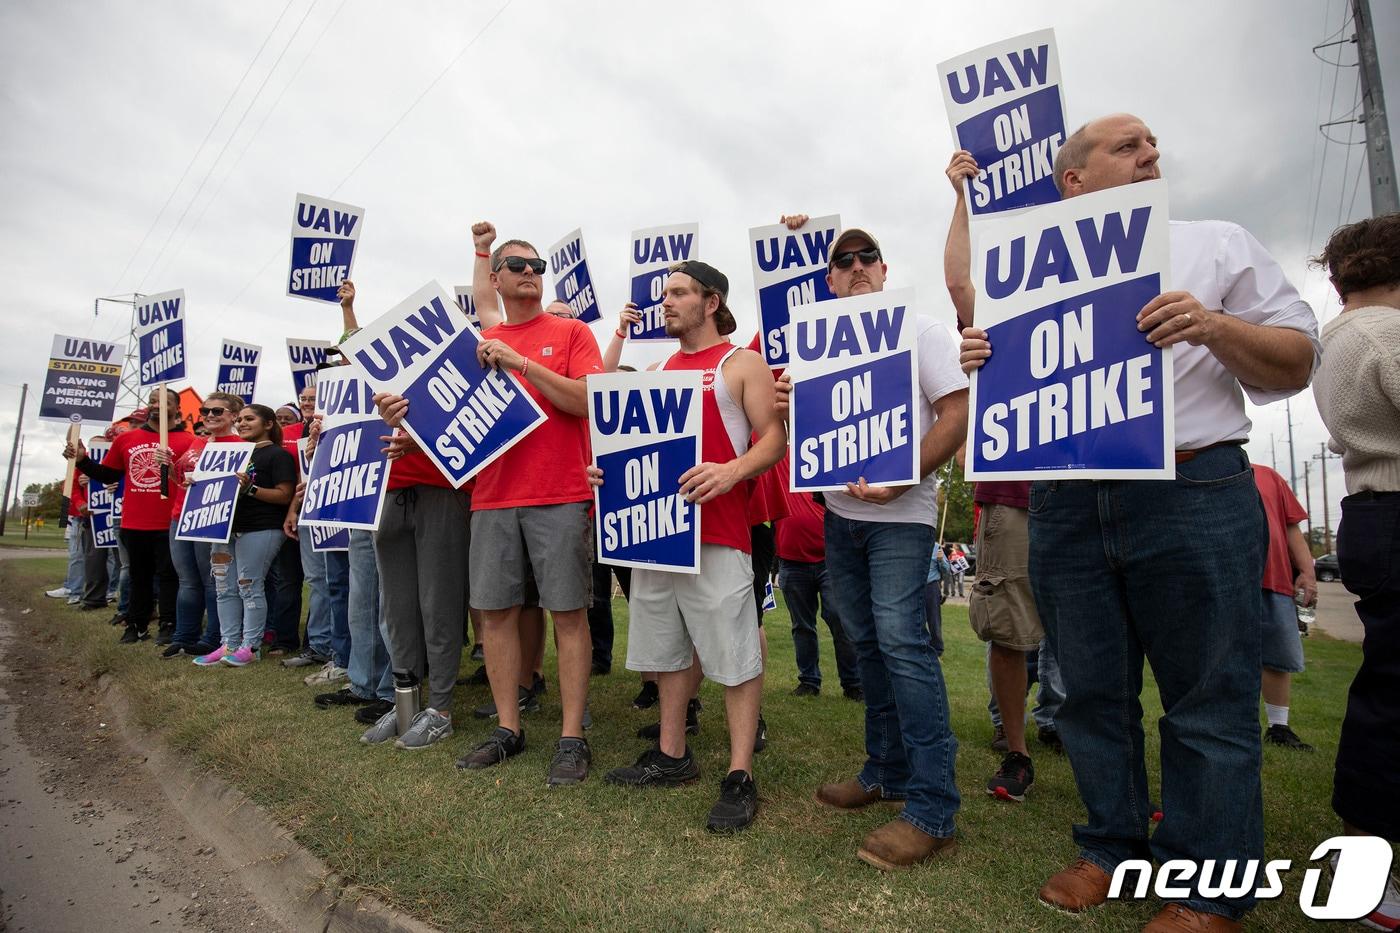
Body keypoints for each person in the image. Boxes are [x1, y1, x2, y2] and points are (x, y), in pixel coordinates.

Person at [960, 114, 1320, 929]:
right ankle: (1111, 848)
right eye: (1128, 146)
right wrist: (985, 355)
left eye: (1155, 144)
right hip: (1067, 500)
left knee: (1207, 695)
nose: (1152, 153)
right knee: (1088, 692)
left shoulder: (1216, 243)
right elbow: (1003, 380)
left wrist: (1214, 325)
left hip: (1193, 489)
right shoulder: (1027, 272)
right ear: (1073, 181)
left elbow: (1298, 357)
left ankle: (1208, 887)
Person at [776, 220, 969, 869]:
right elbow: (808, 435)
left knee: (903, 643)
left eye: (869, 256)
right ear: (830, 279)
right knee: (867, 644)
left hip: (901, 518)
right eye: (844, 259)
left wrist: (904, 474)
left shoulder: (921, 330)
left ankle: (933, 804)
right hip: (839, 518)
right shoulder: (815, 347)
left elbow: (956, 413)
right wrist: (786, 405)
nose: (857, 265)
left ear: (885, 271)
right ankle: (884, 768)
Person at [599, 259, 784, 833]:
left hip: (720, 535)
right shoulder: (656, 369)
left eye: (679, 292)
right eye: (664, 294)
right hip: (657, 538)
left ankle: (740, 773)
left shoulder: (740, 364)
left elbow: (774, 440)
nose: (667, 302)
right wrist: (604, 476)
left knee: (733, 656)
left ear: (712, 301)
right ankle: (672, 754)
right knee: (668, 652)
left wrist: (731, 472)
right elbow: (634, 453)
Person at [444, 222, 601, 784]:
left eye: (537, 267)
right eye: (519, 267)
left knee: (568, 614)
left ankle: (572, 736)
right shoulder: (481, 338)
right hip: (492, 498)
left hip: (559, 493)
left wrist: (523, 365)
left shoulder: (572, 331)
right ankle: (508, 728)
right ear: (497, 279)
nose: (532, 274)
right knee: (496, 616)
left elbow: (587, 402)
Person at [943, 148, 1048, 804]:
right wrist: (961, 196)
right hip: (1013, 494)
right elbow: (960, 287)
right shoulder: (1003, 317)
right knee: (1008, 625)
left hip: (1098, 488)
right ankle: (1016, 749)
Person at [1311, 212, 1400, 931]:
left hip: (1371, 509)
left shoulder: (1336, 337)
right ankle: (1367, 862)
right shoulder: (1385, 334)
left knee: (1388, 686)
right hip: (1394, 502)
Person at [68, 388, 193, 644]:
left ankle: (169, 623)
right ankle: (136, 623)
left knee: (170, 576)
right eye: (152, 401)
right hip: (134, 521)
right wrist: (82, 461)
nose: (157, 405)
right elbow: (109, 475)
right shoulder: (127, 439)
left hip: (171, 521)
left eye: (165, 402)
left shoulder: (189, 441)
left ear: (177, 410)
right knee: (139, 575)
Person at [195, 405, 297, 667]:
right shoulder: (227, 455)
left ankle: (250, 646)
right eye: (239, 419)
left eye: (249, 419)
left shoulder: (278, 455)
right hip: (224, 527)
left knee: (249, 586)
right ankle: (228, 643)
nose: (241, 423)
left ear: (268, 424)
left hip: (261, 527)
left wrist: (251, 489)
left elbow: (285, 494)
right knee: (223, 588)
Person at [160, 392, 244, 659]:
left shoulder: (239, 444)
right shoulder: (197, 441)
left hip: (210, 519)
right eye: (205, 410)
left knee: (212, 581)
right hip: (180, 517)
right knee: (186, 580)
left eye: (217, 411)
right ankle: (184, 636)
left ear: (233, 416)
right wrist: (169, 468)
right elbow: (181, 480)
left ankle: (214, 637)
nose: (209, 415)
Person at [1250, 463, 1317, 751]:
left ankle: (1279, 727)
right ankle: (1231, 724)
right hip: (1222, 579)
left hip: (1274, 577)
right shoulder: (1201, 467)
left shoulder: (1267, 476)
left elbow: (1291, 526)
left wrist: (1307, 571)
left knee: (1278, 655)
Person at [777, 476, 861, 698]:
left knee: (840, 619)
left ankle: (853, 682)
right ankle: (809, 681)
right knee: (802, 625)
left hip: (830, 559)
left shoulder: (822, 453)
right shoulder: (777, 457)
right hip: (791, 560)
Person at [923, 543, 952, 657]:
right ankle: (920, 646)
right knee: (916, 619)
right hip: (915, 586)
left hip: (931, 587)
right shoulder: (914, 545)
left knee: (933, 618)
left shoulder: (937, 548)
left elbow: (947, 571)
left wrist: (941, 560)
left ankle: (937, 649)